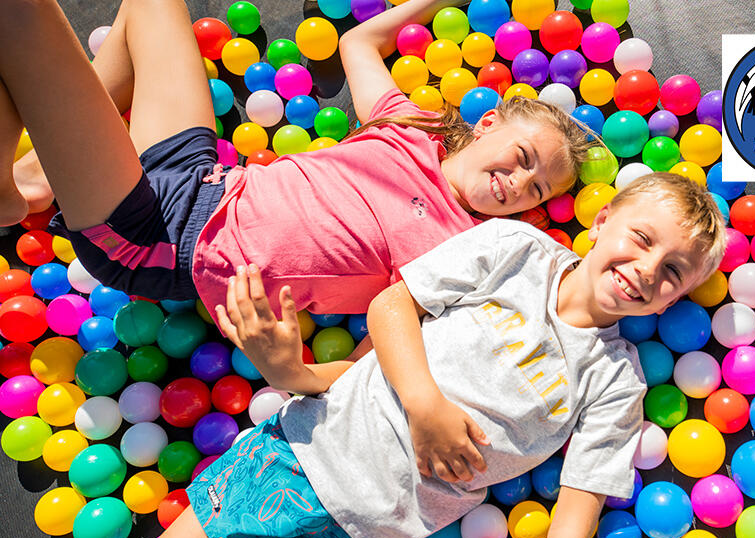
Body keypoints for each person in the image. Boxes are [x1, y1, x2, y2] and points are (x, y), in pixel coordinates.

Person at [100, 172, 727, 538]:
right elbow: (391, 306)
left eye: (673, 272)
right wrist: (425, 407)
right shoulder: (517, 250)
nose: (647, 270)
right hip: (302, 458)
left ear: (672, 300)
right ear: (604, 218)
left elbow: (573, 523)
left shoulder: (617, 382)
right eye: (641, 239)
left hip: (362, 537)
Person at [0, 0, 590, 322]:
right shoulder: (410, 126)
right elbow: (359, 42)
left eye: (537, 189)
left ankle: (18, 183)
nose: (520, 183)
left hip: (162, 240)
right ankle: (35, 178)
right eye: (523, 157)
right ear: (487, 125)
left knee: (20, 13)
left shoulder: (465, 247)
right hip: (200, 177)